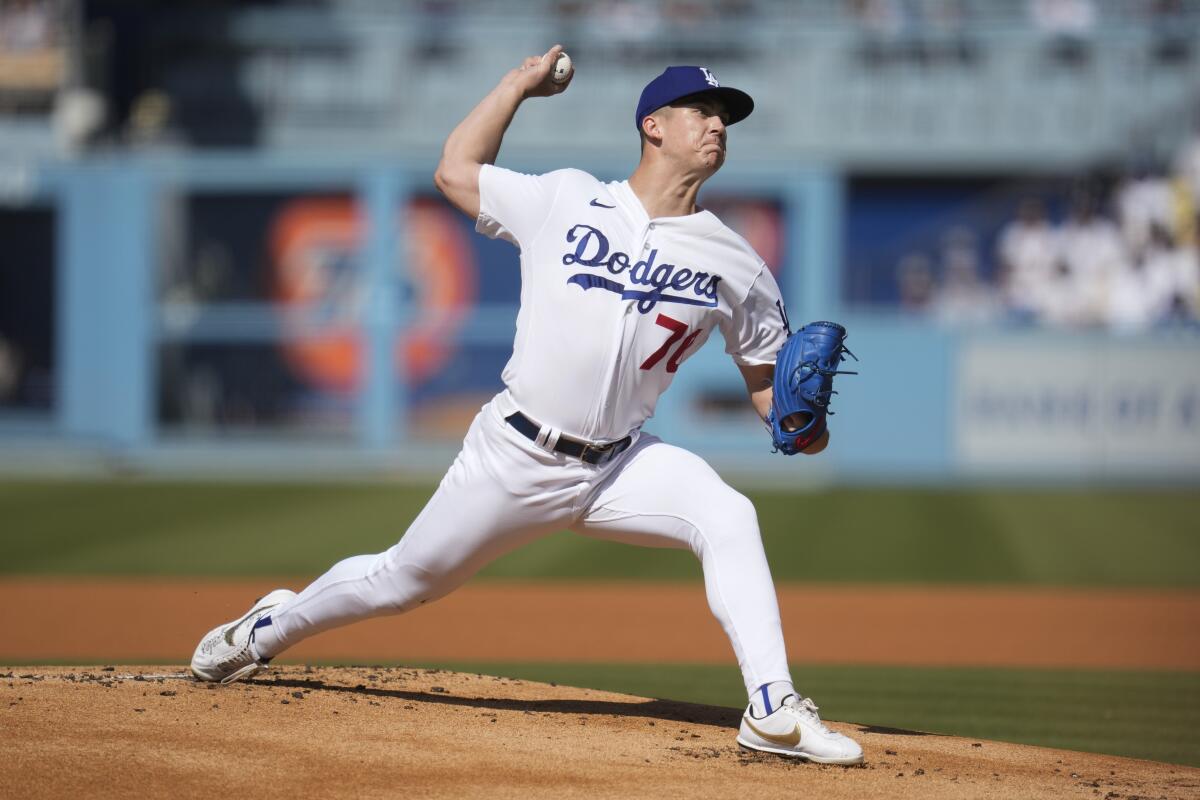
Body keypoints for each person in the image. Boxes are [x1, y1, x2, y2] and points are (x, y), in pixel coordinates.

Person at [190, 46, 864, 766]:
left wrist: (801, 423)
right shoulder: (567, 198)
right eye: (703, 111)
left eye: (726, 116)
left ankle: (771, 707)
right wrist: (517, 86)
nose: (718, 125)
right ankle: (267, 630)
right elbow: (454, 172)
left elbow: (770, 389)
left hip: (619, 465)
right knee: (401, 581)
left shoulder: (736, 261)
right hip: (515, 453)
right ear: (653, 126)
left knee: (729, 515)